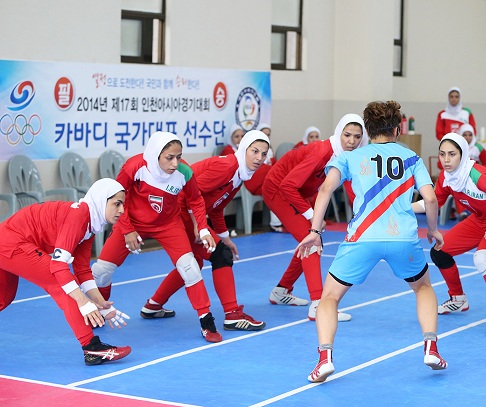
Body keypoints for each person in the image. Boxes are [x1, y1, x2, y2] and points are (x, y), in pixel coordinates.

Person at [297, 100, 447, 383]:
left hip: (362, 238)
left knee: (328, 298)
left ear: (367, 130)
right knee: (423, 287)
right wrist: (432, 230)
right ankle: (431, 348)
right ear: (397, 129)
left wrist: (315, 232)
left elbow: (325, 189)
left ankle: (325, 358)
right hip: (402, 237)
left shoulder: (350, 157)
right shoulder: (412, 157)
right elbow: (430, 198)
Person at [92, 131, 223, 343]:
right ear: (155, 155)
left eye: (178, 157)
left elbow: (196, 200)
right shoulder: (135, 166)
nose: (175, 163)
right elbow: (115, 199)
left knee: (190, 267)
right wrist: (127, 229)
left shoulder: (184, 172)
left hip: (168, 224)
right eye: (169, 158)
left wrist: (204, 228)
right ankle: (99, 310)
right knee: (100, 272)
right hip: (132, 223)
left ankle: (206, 320)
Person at [140, 130, 270, 331]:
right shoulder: (227, 167)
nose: (259, 158)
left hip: (185, 213)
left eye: (263, 154)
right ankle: (232, 313)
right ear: (244, 149)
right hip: (177, 212)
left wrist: (225, 237)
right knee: (221, 256)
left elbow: (216, 207)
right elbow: (189, 194)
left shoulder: (239, 174)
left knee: (196, 261)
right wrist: (198, 227)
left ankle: (153, 305)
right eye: (254, 151)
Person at [0, 178, 131, 365]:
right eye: (116, 204)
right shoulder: (78, 217)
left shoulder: (89, 224)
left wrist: (100, 302)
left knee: (3, 298)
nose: (121, 210)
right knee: (64, 286)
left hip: (8, 241)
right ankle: (92, 348)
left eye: (123, 204)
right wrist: (83, 301)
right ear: (102, 200)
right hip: (12, 242)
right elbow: (58, 266)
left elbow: (83, 270)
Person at [412, 133, 486, 337]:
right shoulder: (446, 177)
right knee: (440, 251)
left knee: (483, 258)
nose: (446, 159)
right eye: (442, 154)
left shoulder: (478, 175)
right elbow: (433, 202)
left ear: (462, 154)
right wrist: (404, 208)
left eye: (452, 154)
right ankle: (458, 298)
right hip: (480, 219)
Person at [263, 114, 368, 322]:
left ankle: (281, 290)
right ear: (339, 132)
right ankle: (319, 305)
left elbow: (352, 189)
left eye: (357, 137)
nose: (352, 141)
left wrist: (363, 215)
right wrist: (313, 217)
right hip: (278, 189)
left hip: (299, 192)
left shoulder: (348, 156)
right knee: (312, 240)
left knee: (308, 239)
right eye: (347, 135)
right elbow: (287, 186)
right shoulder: (322, 151)